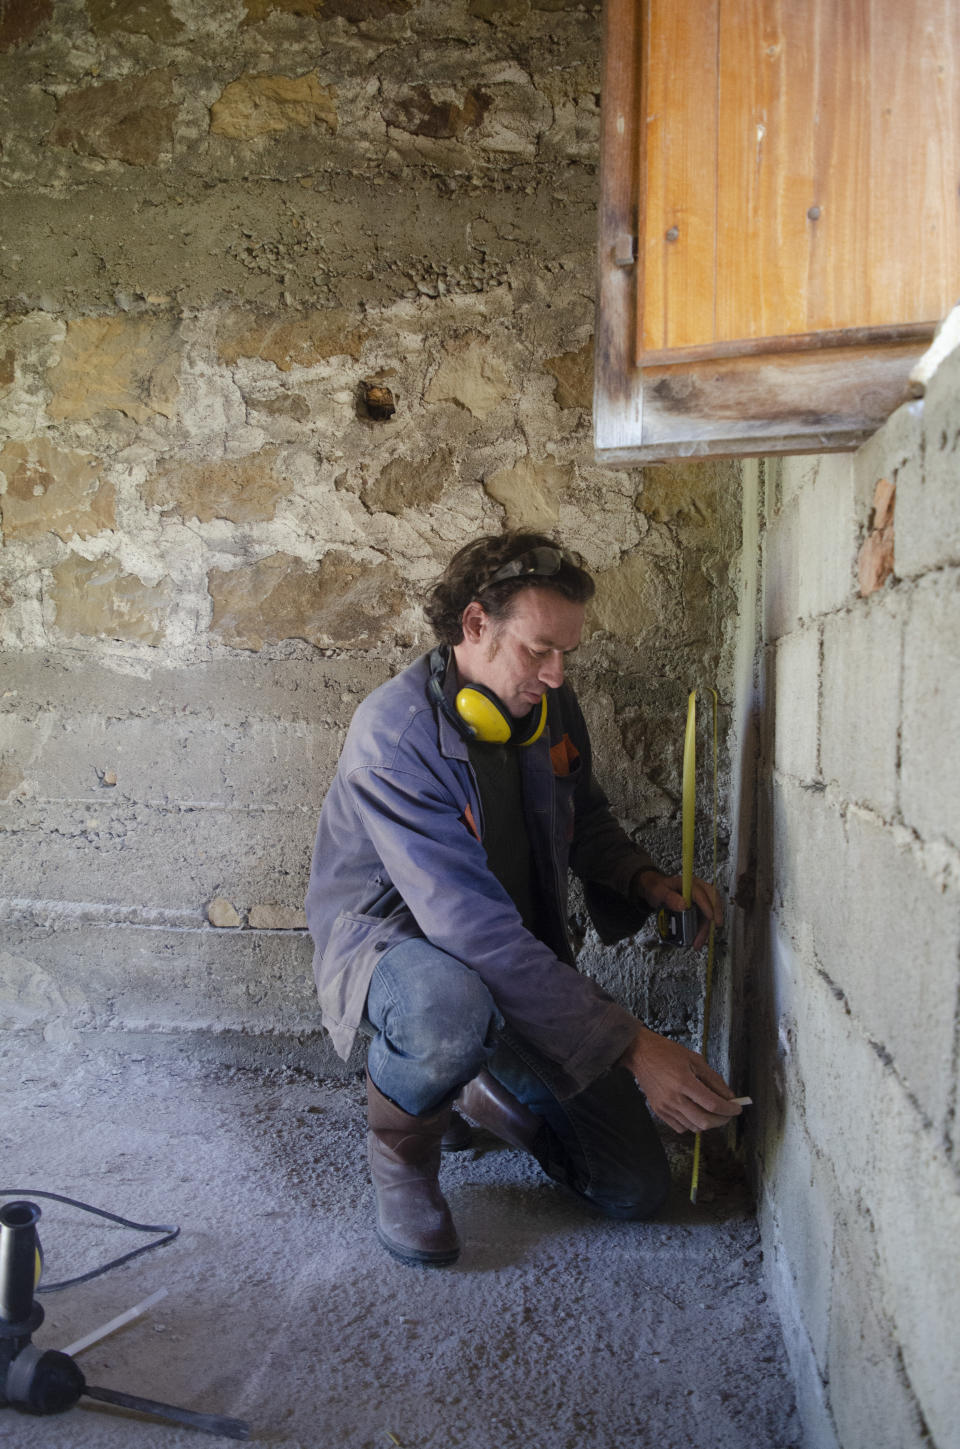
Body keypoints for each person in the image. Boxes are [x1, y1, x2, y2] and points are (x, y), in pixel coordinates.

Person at [305, 531, 741, 1266]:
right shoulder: (395, 736)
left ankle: (482, 1092)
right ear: (475, 625)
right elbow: (469, 931)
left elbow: (589, 821)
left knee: (633, 1186)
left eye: (567, 651)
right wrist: (634, 1045)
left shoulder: (549, 708)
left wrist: (643, 878)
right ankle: (401, 1151)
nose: (558, 673)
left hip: (510, 966)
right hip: (405, 958)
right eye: (539, 649)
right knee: (447, 1006)